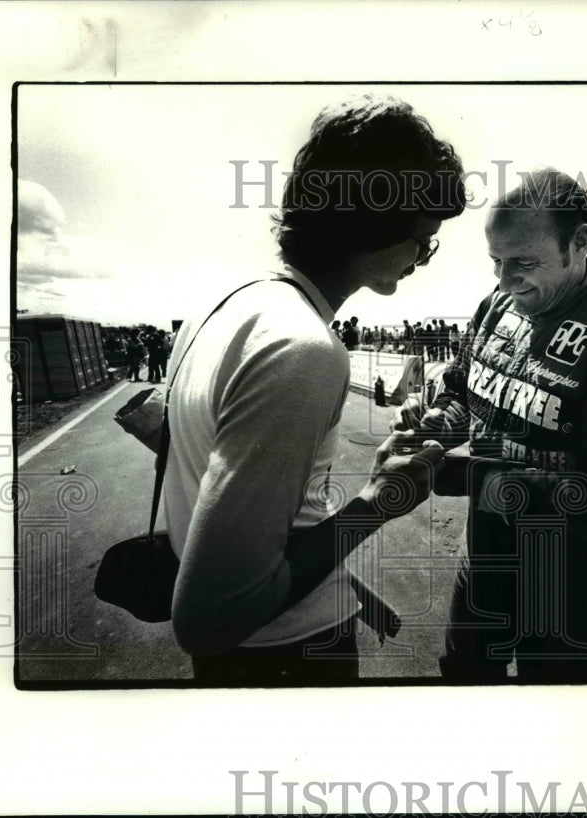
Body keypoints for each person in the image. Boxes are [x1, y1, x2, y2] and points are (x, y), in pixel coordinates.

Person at [164, 94, 467, 684]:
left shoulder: (228, 307)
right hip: (282, 655)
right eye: (423, 240)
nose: (421, 260)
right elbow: (207, 618)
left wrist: (344, 585)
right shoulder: (304, 351)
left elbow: (244, 506)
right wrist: (380, 501)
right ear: (375, 226)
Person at [380, 168, 587, 682]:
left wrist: (457, 476)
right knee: (463, 684)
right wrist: (431, 428)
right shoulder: (497, 306)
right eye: (496, 262)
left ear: (579, 243)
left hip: (564, 587)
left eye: (522, 262)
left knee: (550, 722)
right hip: (482, 564)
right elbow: (462, 390)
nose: (504, 279)